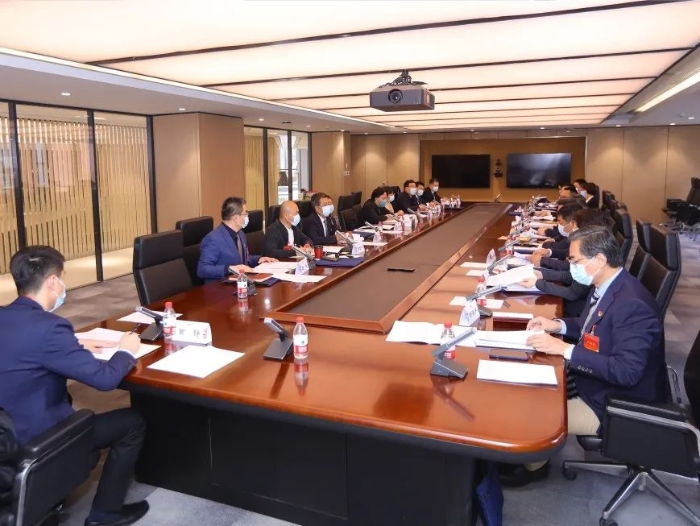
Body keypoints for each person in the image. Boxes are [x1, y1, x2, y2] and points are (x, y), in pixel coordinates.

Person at [500, 226, 667, 487]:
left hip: (612, 401)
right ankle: (529, 456)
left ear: (599, 259)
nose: (571, 266)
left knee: (534, 410)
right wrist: (557, 325)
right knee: (528, 384)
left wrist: (565, 350)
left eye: (575, 261)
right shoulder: (608, 284)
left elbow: (626, 372)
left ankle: (533, 467)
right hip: (596, 380)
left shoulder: (632, 305)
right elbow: (588, 325)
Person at [0, 246, 150, 526]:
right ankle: (104, 515)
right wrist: (125, 350)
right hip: (35, 442)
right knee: (132, 423)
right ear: (52, 281)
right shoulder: (50, 327)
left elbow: (22, 347)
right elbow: (105, 380)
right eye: (63, 278)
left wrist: (75, 342)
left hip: (6, 436)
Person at [197, 197, 277, 283]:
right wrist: (230, 269)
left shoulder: (240, 234)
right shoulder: (213, 239)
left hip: (241, 283)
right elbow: (202, 270)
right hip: (220, 286)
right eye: (245, 214)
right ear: (236, 218)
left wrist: (259, 259)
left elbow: (244, 259)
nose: (247, 216)